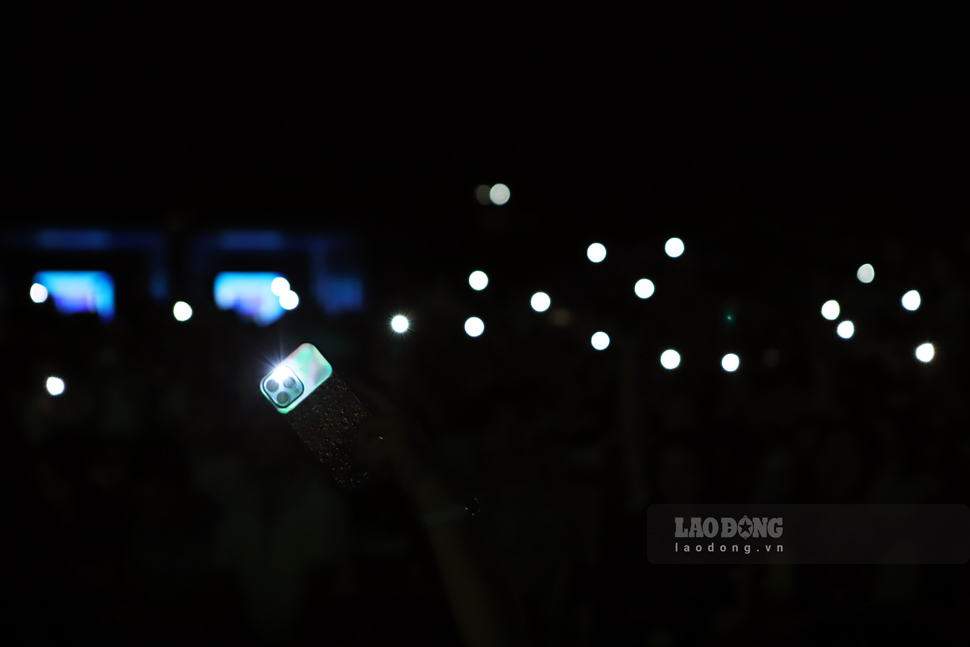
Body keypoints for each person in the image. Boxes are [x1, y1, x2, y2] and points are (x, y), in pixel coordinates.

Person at [354, 413, 533, 647]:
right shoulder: (462, 486)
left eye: (509, 434)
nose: (500, 443)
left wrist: (431, 490)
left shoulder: (525, 512)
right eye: (493, 431)